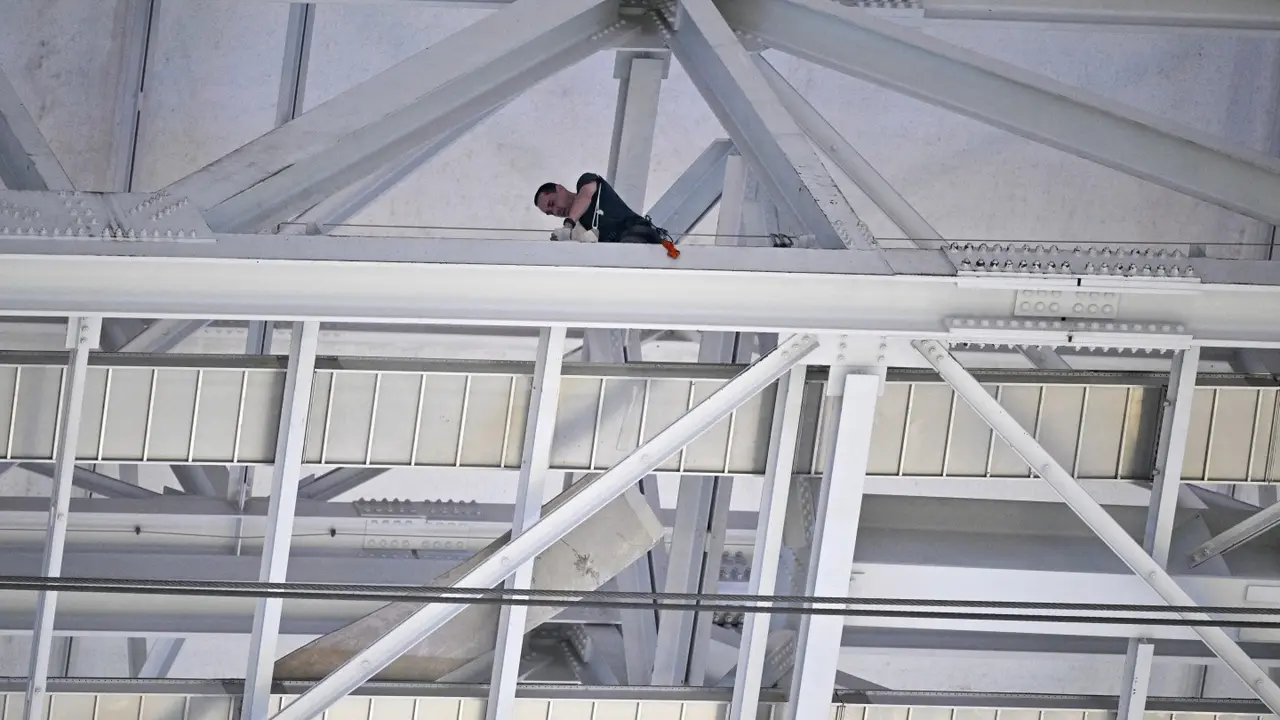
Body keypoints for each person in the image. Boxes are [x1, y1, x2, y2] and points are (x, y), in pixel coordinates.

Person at [534, 173, 680, 258]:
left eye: (552, 204)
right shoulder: (579, 229)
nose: (555, 212)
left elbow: (585, 196)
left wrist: (568, 224)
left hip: (637, 233)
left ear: (560, 189)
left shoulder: (585, 181)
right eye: (550, 213)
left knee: (623, 258)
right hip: (622, 252)